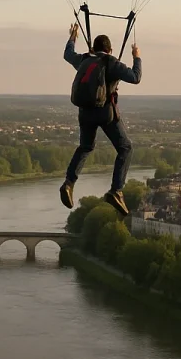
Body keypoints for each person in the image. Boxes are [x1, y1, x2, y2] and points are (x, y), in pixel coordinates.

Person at [60, 23, 142, 216]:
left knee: (86, 147)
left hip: (84, 113)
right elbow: (135, 77)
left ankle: (68, 183)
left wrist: (73, 37)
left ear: (94, 48)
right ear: (109, 49)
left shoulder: (84, 60)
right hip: (105, 114)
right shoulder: (111, 62)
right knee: (125, 148)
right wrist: (136, 56)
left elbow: (67, 54)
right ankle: (116, 190)